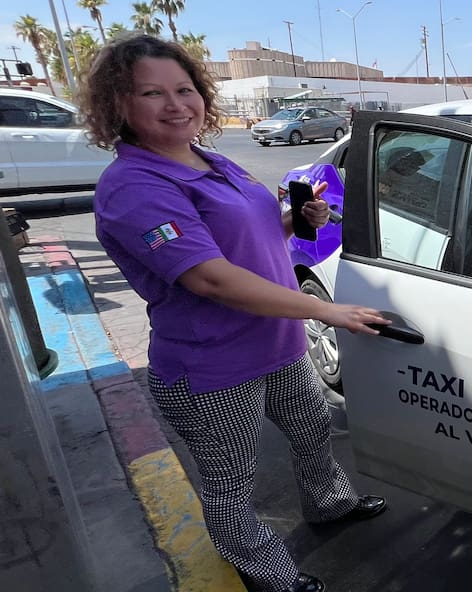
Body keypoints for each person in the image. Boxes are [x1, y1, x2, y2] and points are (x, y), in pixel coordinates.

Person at [82, 34, 390, 592]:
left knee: (314, 427)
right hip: (210, 368)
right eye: (152, 93)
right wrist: (329, 310)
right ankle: (271, 573)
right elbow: (209, 277)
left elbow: (247, 235)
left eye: (185, 89)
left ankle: (328, 503)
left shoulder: (212, 159)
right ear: (118, 105)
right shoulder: (133, 188)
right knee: (232, 484)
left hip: (275, 345)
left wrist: (298, 220)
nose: (176, 104)